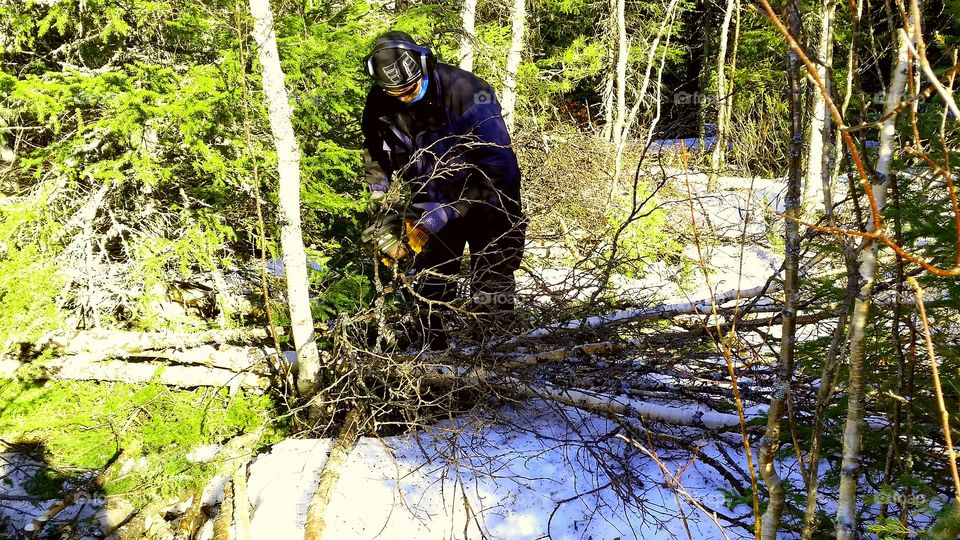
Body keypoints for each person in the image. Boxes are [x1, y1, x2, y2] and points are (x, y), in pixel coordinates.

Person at [360, 31, 525, 350]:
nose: (404, 96)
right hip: (429, 198)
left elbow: (499, 166)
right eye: (395, 91)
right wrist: (380, 201)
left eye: (410, 88)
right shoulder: (379, 103)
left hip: (491, 201)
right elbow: (374, 154)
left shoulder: (469, 93)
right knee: (429, 284)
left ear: (424, 65)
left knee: (492, 286)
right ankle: (433, 357)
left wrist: (449, 210)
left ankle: (495, 361)